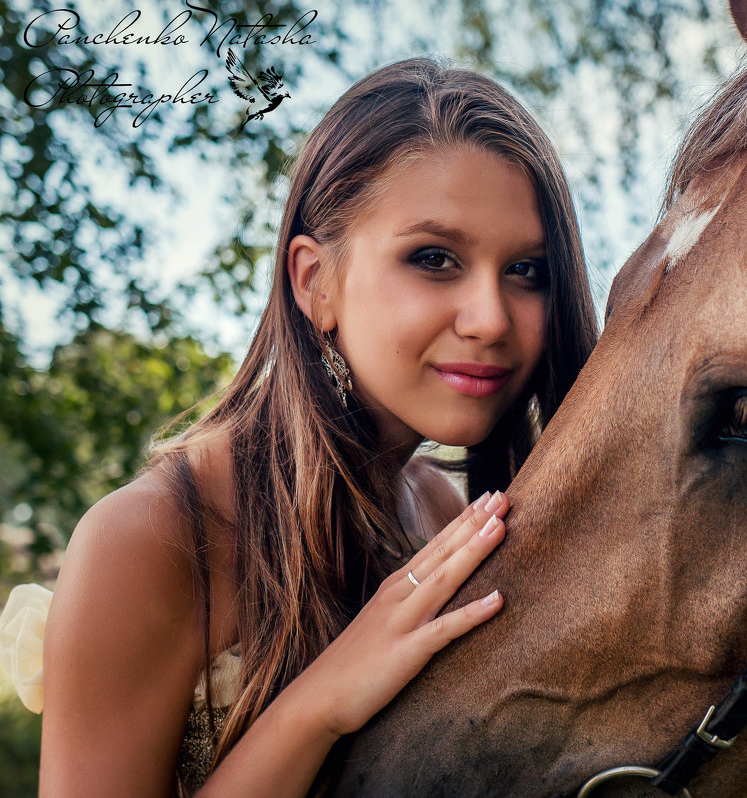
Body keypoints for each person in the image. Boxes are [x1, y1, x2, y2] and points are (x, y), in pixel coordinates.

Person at [13, 58, 598, 796]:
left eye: (528, 271)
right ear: (314, 281)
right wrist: (318, 707)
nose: (491, 319)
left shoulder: (448, 515)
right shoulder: (153, 540)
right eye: (434, 259)